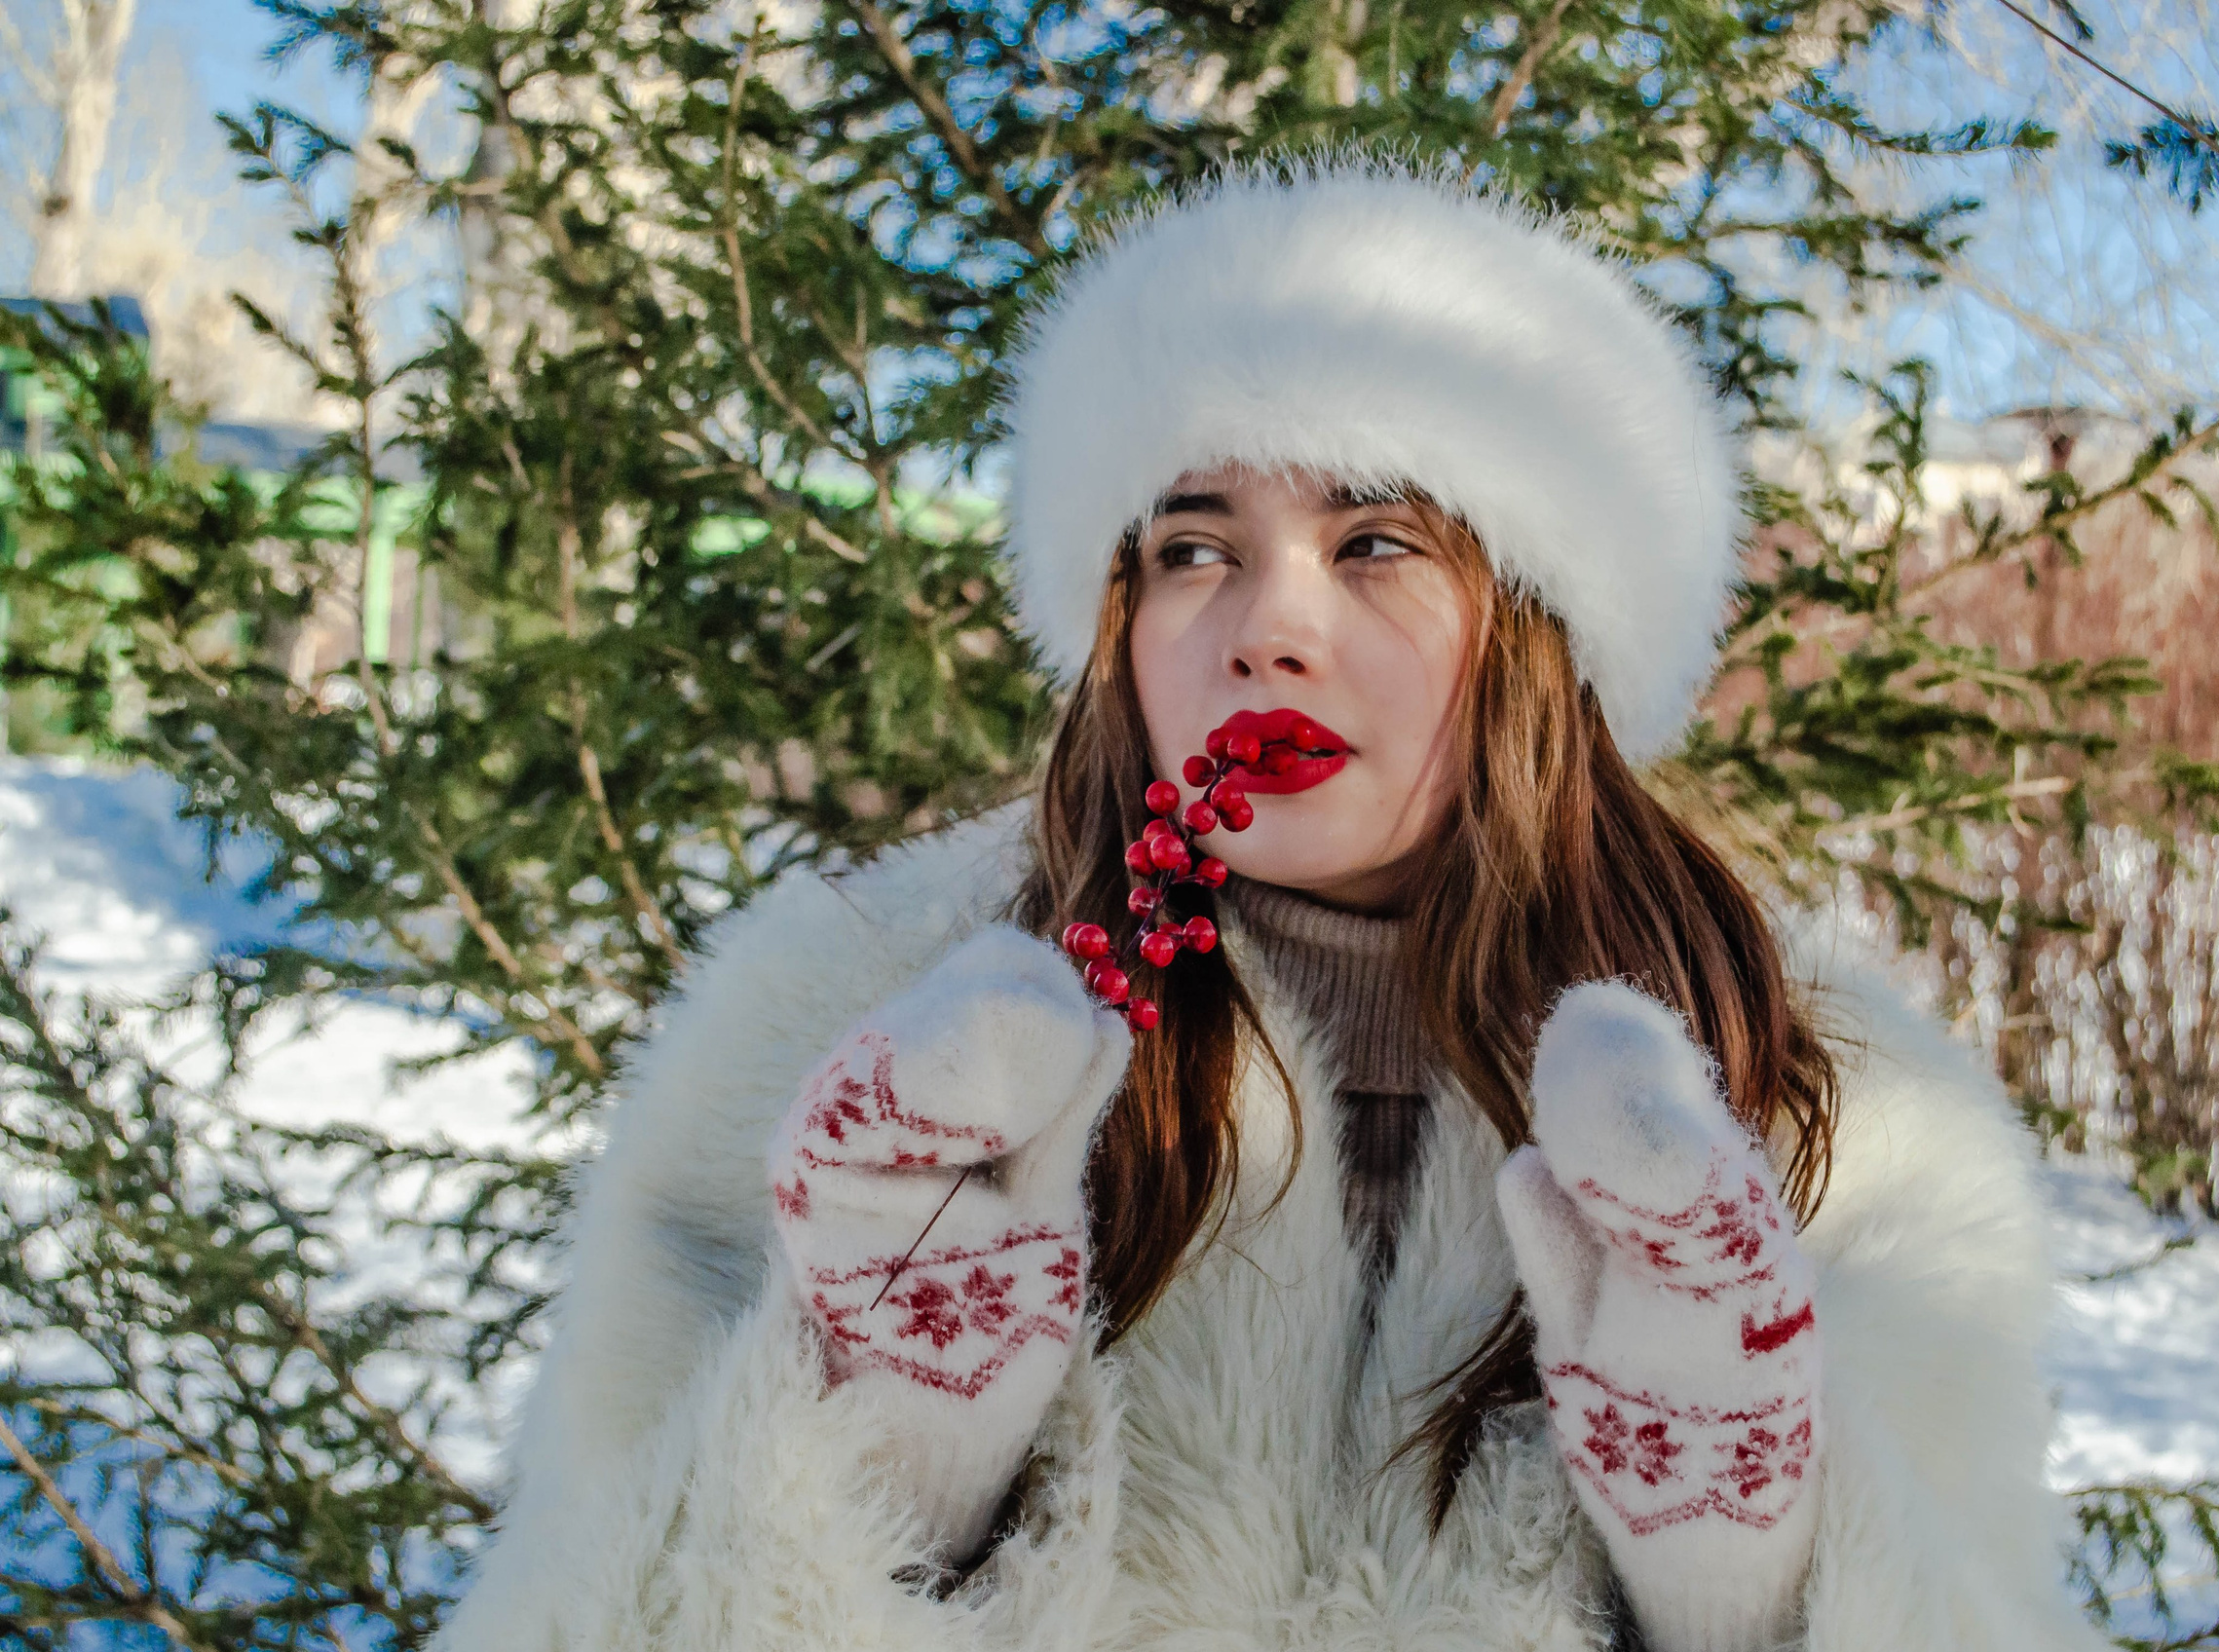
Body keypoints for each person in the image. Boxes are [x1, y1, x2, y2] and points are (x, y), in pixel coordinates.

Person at [433, 160, 2111, 1652]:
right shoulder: (853, 1051)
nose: (1267, 629)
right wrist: (883, 1465)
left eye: (1374, 539)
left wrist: (1744, 1576)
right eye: (1191, 547)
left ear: (1540, 623)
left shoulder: (1826, 1127)